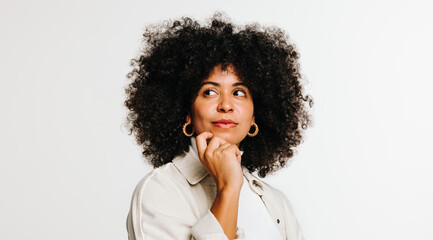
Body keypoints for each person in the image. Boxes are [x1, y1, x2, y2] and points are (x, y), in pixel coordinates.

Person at [124, 13, 313, 240]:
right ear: (187, 114)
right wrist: (228, 190)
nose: (226, 105)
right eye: (210, 92)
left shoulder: (276, 203)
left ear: (255, 116)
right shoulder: (160, 190)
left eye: (239, 93)